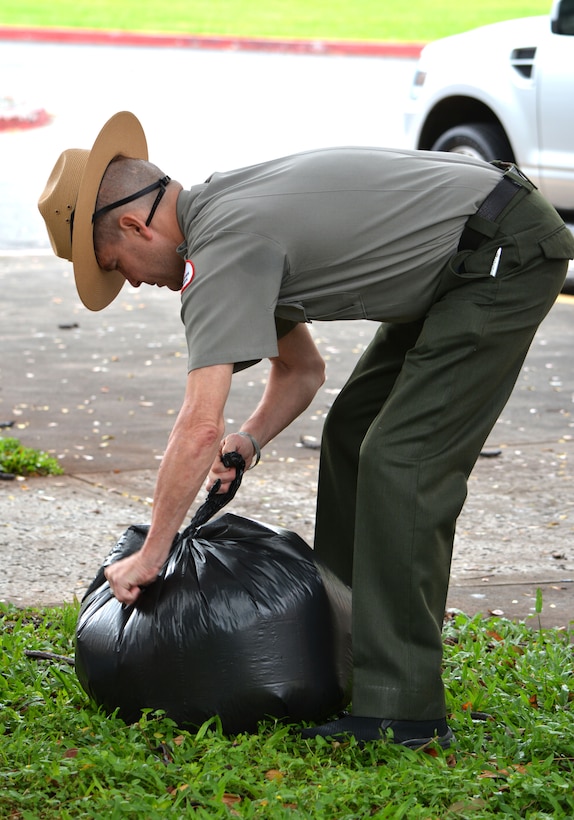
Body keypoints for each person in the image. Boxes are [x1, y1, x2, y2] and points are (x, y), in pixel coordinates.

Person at [39, 111, 574, 749]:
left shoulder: (222, 252)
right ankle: (349, 648)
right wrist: (251, 439)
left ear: (134, 224)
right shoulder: (220, 212)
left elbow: (197, 423)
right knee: (355, 430)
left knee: (401, 458)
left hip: (499, 249)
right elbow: (302, 369)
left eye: (114, 262)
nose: (126, 281)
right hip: (460, 251)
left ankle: (404, 713)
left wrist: (152, 555)